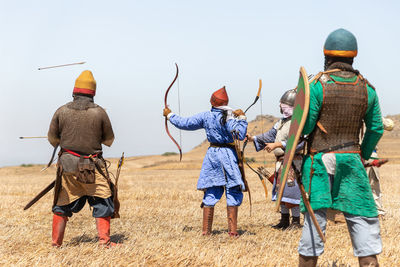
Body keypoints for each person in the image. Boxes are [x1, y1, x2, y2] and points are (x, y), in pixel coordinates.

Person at [297, 29, 384, 267]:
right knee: (362, 221)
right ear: (353, 57)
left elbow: (304, 126)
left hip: (319, 162)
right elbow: (376, 128)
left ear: (327, 56)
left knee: (315, 224)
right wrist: (362, 155)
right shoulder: (367, 89)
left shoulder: (316, 86)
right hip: (352, 160)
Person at [163, 86, 248, 236]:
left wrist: (170, 115)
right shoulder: (228, 117)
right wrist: (242, 118)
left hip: (212, 155)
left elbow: (185, 123)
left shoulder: (207, 116)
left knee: (212, 188)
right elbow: (240, 134)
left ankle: (206, 232)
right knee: (232, 188)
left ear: (212, 102)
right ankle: (233, 233)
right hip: (227, 154)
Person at [48, 70, 118, 247]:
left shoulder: (61, 111)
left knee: (62, 203)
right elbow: (108, 140)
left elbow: (53, 139)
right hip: (93, 166)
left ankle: (56, 243)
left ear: (74, 92)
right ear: (93, 93)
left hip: (67, 166)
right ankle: (105, 242)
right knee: (103, 199)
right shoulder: (99, 112)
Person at [247, 89, 302, 230]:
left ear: (289, 106)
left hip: (293, 162)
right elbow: (270, 136)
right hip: (281, 162)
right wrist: (253, 138)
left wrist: (278, 145)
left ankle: (295, 222)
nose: (279, 106)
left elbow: (299, 141)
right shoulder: (281, 122)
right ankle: (284, 221)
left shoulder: (299, 122)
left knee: (292, 192)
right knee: (281, 191)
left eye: (282, 104)